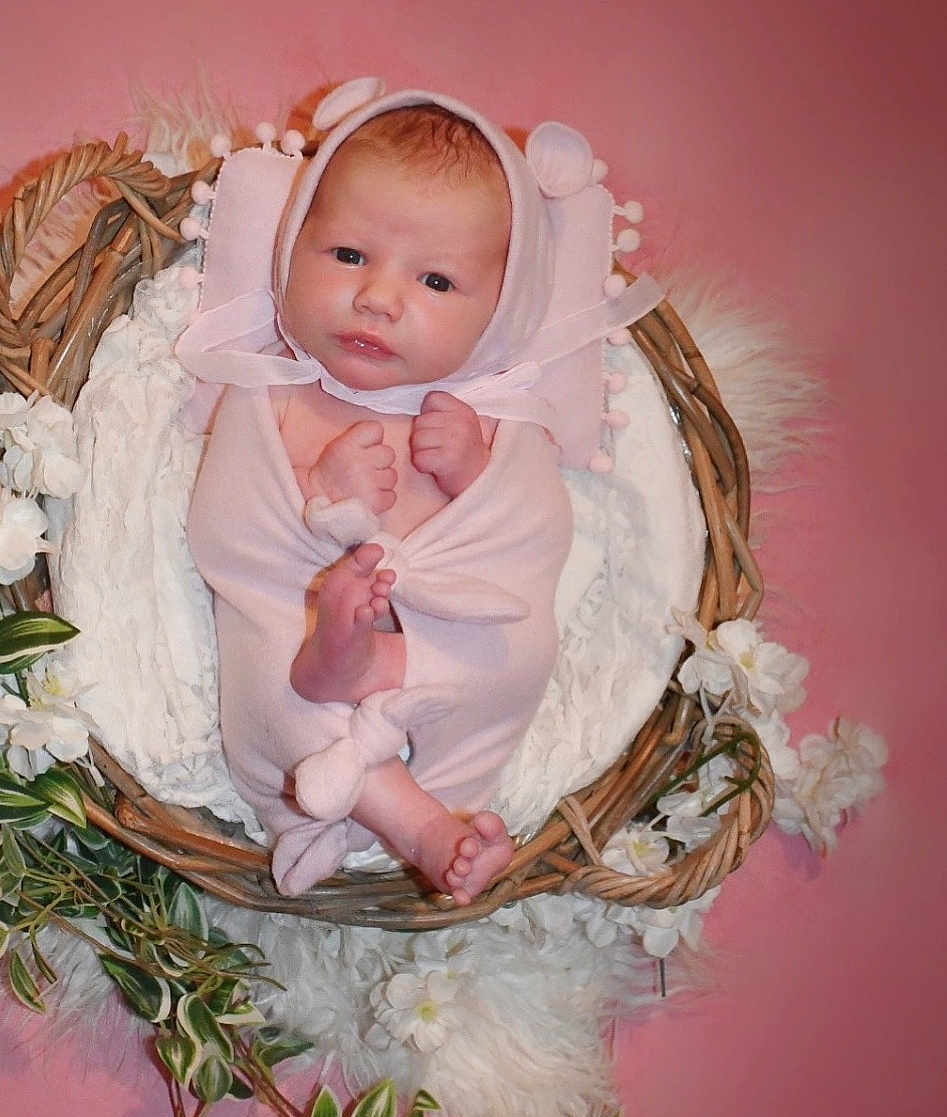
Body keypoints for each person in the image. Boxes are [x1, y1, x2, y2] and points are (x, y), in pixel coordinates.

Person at [178, 88, 657, 902]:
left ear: (499, 312)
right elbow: (228, 532)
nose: (379, 298)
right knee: (273, 679)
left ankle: (378, 669)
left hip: (437, 646)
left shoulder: (493, 422)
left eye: (435, 279)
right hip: (306, 652)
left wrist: (476, 477)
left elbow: (534, 535)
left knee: (518, 651)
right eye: (348, 256)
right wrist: (318, 500)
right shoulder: (277, 396)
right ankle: (423, 824)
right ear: (292, 248)